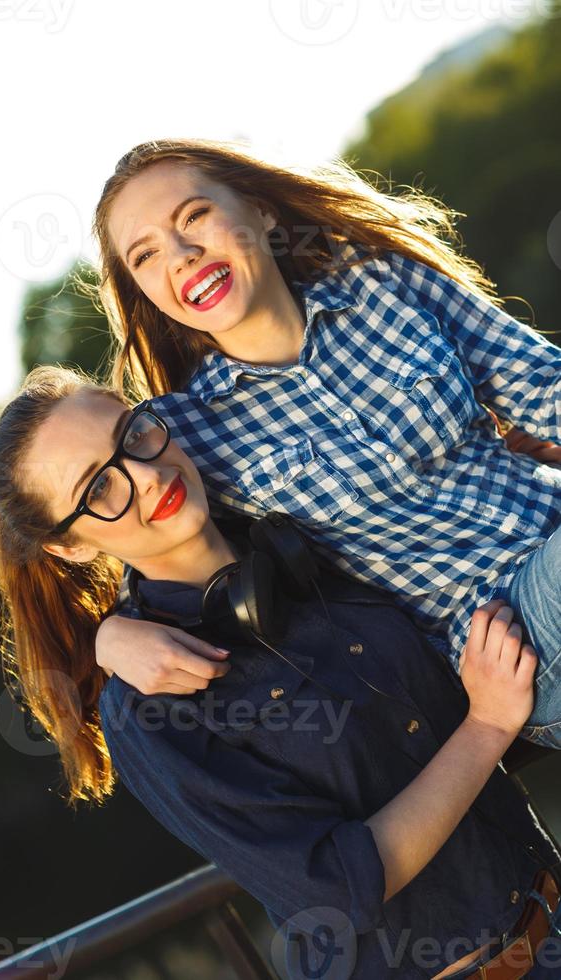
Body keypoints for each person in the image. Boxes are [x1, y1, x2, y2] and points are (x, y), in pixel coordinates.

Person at [0, 365, 561, 979]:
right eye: (100, 488)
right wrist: (487, 727)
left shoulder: (307, 538)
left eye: (133, 434)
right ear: (70, 547)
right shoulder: (145, 713)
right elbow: (338, 887)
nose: (148, 477)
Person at [90, 137, 561, 748]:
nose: (180, 255)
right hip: (511, 642)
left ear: (260, 210)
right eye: (146, 255)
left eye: (194, 216)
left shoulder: (380, 282)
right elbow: (136, 557)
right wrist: (108, 638)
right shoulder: (178, 434)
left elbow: (541, 385)